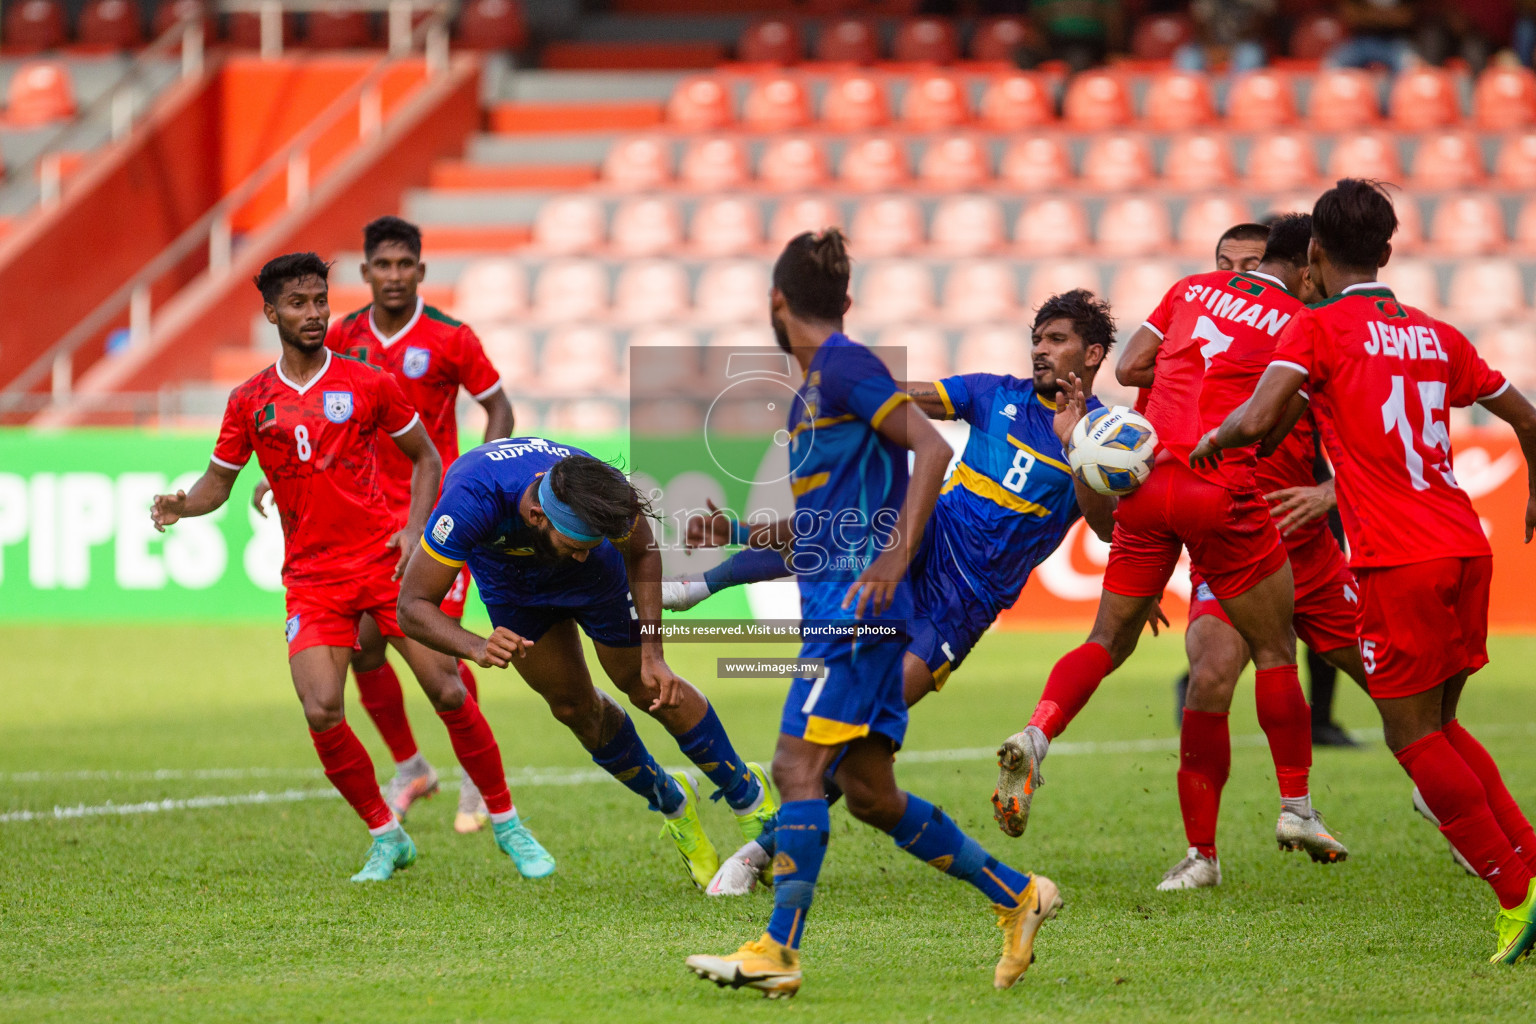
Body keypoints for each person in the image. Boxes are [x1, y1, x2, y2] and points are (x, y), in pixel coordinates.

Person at [684, 230, 1059, 998]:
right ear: (844, 300)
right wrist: (732, 534)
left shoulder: (846, 367)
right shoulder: (819, 388)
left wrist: (895, 556)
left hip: (855, 614)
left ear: (776, 302)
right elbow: (828, 524)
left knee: (794, 768)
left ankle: (777, 951)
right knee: (871, 795)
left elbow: (932, 449)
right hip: (848, 605)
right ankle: (1018, 894)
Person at [1191, 178, 1536, 964]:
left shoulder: (1317, 331)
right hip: (1465, 543)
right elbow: (1528, 417)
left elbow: (1259, 417)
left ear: (1313, 255)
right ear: (1386, 251)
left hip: (1397, 556)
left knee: (1410, 736)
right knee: (1443, 725)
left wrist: (1208, 444)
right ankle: (1531, 869)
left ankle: (1515, 895)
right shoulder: (1438, 334)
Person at [689, 290, 1132, 896]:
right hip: (928, 536)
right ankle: (695, 586)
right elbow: (903, 396)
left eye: (1056, 340)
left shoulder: (1103, 434)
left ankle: (758, 854)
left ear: (1094, 353)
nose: (1040, 350)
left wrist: (1077, 446)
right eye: (1037, 339)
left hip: (966, 602)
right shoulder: (992, 392)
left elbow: (1107, 528)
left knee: (859, 732)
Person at [150, 253, 553, 883]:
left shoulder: (366, 381)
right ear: (271, 312)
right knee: (320, 709)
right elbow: (216, 485)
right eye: (298, 304)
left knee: (447, 688)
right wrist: (183, 504)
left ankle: (507, 822)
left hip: (383, 566)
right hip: (311, 580)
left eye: (319, 301)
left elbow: (424, 458)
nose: (313, 314)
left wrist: (414, 529)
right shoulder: (249, 400)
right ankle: (386, 836)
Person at [993, 217, 1349, 873]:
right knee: (1273, 651)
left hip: (1151, 486)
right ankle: (1293, 806)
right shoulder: (1301, 321)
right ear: (1307, 270)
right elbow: (1265, 429)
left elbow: (1129, 367)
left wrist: (1184, 367)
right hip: (1228, 494)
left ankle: (1038, 732)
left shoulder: (1188, 293)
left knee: (1107, 640)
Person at [394, 437, 777, 891]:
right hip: (516, 591)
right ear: (537, 516)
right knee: (573, 708)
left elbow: (641, 551)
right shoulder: (471, 500)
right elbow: (412, 606)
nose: (581, 550)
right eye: (574, 543)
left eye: (590, 543)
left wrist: (654, 654)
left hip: (600, 581)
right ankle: (673, 804)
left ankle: (750, 800)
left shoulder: (598, 490)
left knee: (648, 685)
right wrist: (475, 646)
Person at [254, 217, 515, 832]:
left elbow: (497, 406)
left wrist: (480, 476)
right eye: (383, 265)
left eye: (405, 265)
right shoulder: (339, 332)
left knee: (439, 653)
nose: (394, 276)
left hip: (438, 516)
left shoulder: (451, 337)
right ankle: (412, 766)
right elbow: (312, 406)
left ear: (420, 271)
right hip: (367, 518)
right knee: (364, 647)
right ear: (367, 272)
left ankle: (478, 781)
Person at [1150, 214, 1365, 890]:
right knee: (1210, 676)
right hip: (1235, 534)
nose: (1237, 279)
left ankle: (1452, 809)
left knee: (1394, 684)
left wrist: (1328, 496)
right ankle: (1202, 855)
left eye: (1250, 265)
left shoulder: (1322, 340)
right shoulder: (1203, 338)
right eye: (1226, 265)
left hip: (1308, 548)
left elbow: (1377, 441)